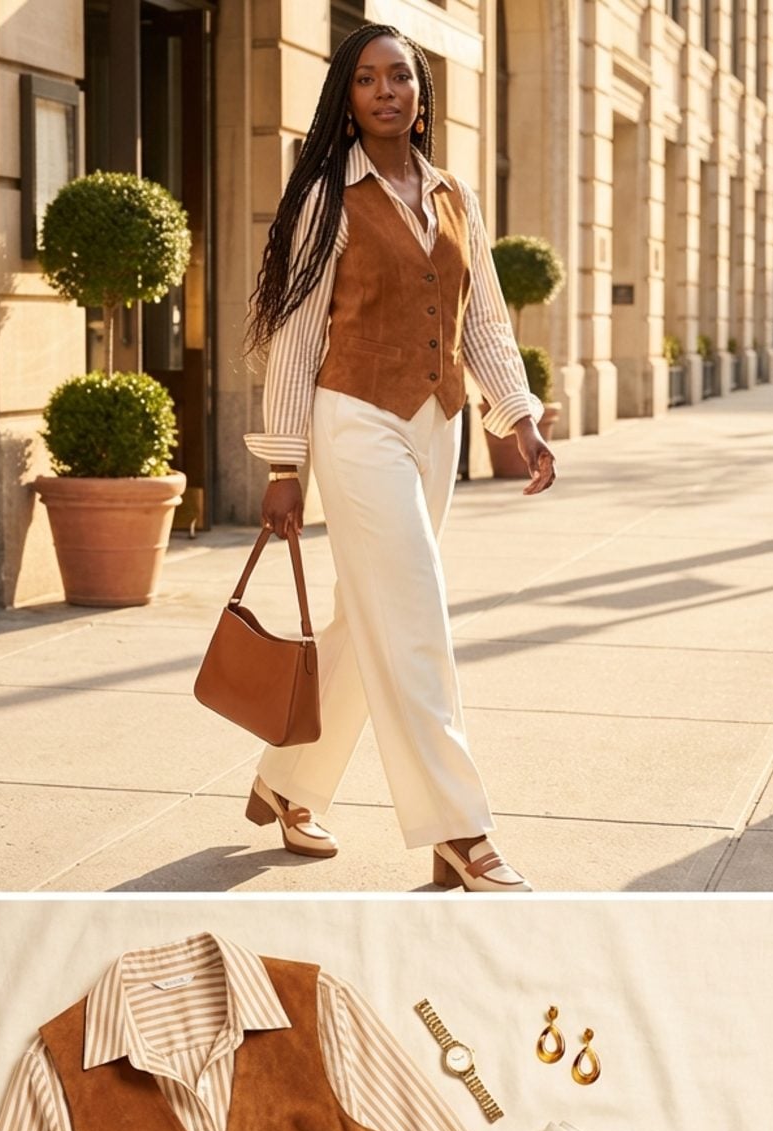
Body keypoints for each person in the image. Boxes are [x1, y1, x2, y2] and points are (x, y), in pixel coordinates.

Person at [242, 22, 557, 893]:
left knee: (370, 613)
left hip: (437, 423)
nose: (386, 91)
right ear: (347, 99)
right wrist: (283, 465)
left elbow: (482, 319)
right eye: (368, 79)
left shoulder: (456, 194)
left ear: (421, 96)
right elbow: (296, 338)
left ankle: (288, 781)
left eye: (400, 78)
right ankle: (459, 830)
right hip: (355, 421)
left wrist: (518, 417)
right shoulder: (326, 199)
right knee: (415, 615)